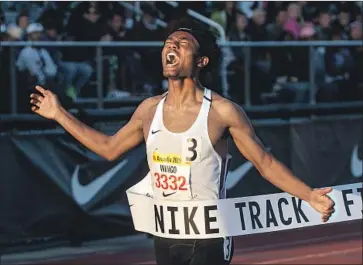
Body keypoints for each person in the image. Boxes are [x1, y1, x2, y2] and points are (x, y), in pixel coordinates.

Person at [29, 18, 335, 265]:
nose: (170, 47)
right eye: (168, 43)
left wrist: (308, 195)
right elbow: (108, 149)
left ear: (201, 60)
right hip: (166, 233)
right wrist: (59, 114)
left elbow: (264, 162)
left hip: (210, 234)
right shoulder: (149, 110)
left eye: (181, 43)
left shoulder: (221, 111)